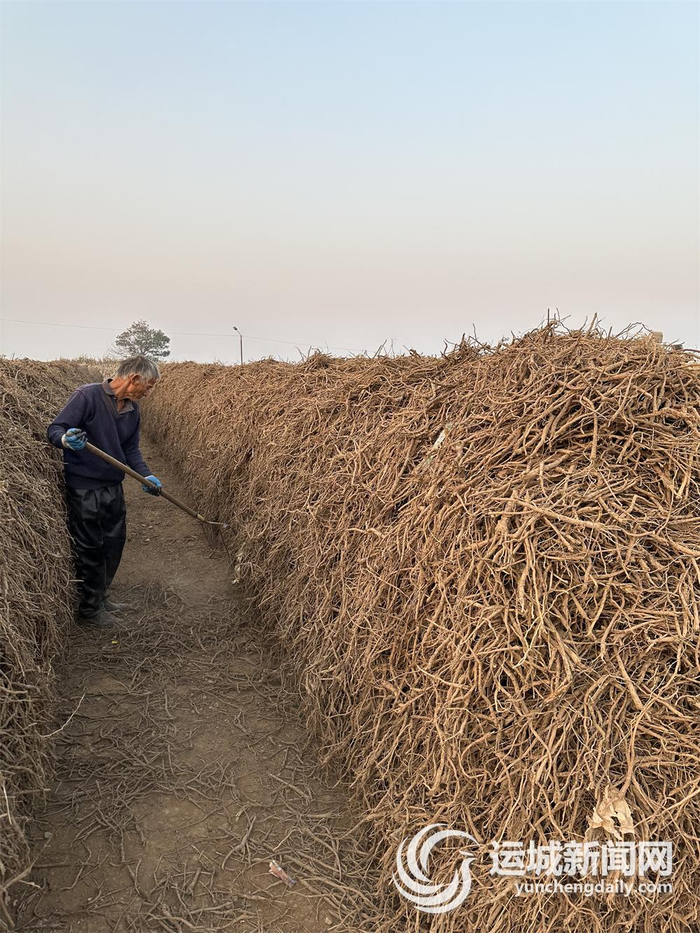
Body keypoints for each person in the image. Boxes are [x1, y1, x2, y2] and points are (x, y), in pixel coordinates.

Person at [47, 356, 162, 629]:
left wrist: (145, 474)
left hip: (112, 485)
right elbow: (55, 429)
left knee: (114, 543)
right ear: (134, 379)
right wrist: (66, 440)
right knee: (90, 548)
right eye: (148, 386)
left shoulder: (132, 410)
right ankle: (89, 610)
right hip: (85, 486)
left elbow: (131, 449)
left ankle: (101, 597)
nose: (148, 392)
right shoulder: (87, 396)